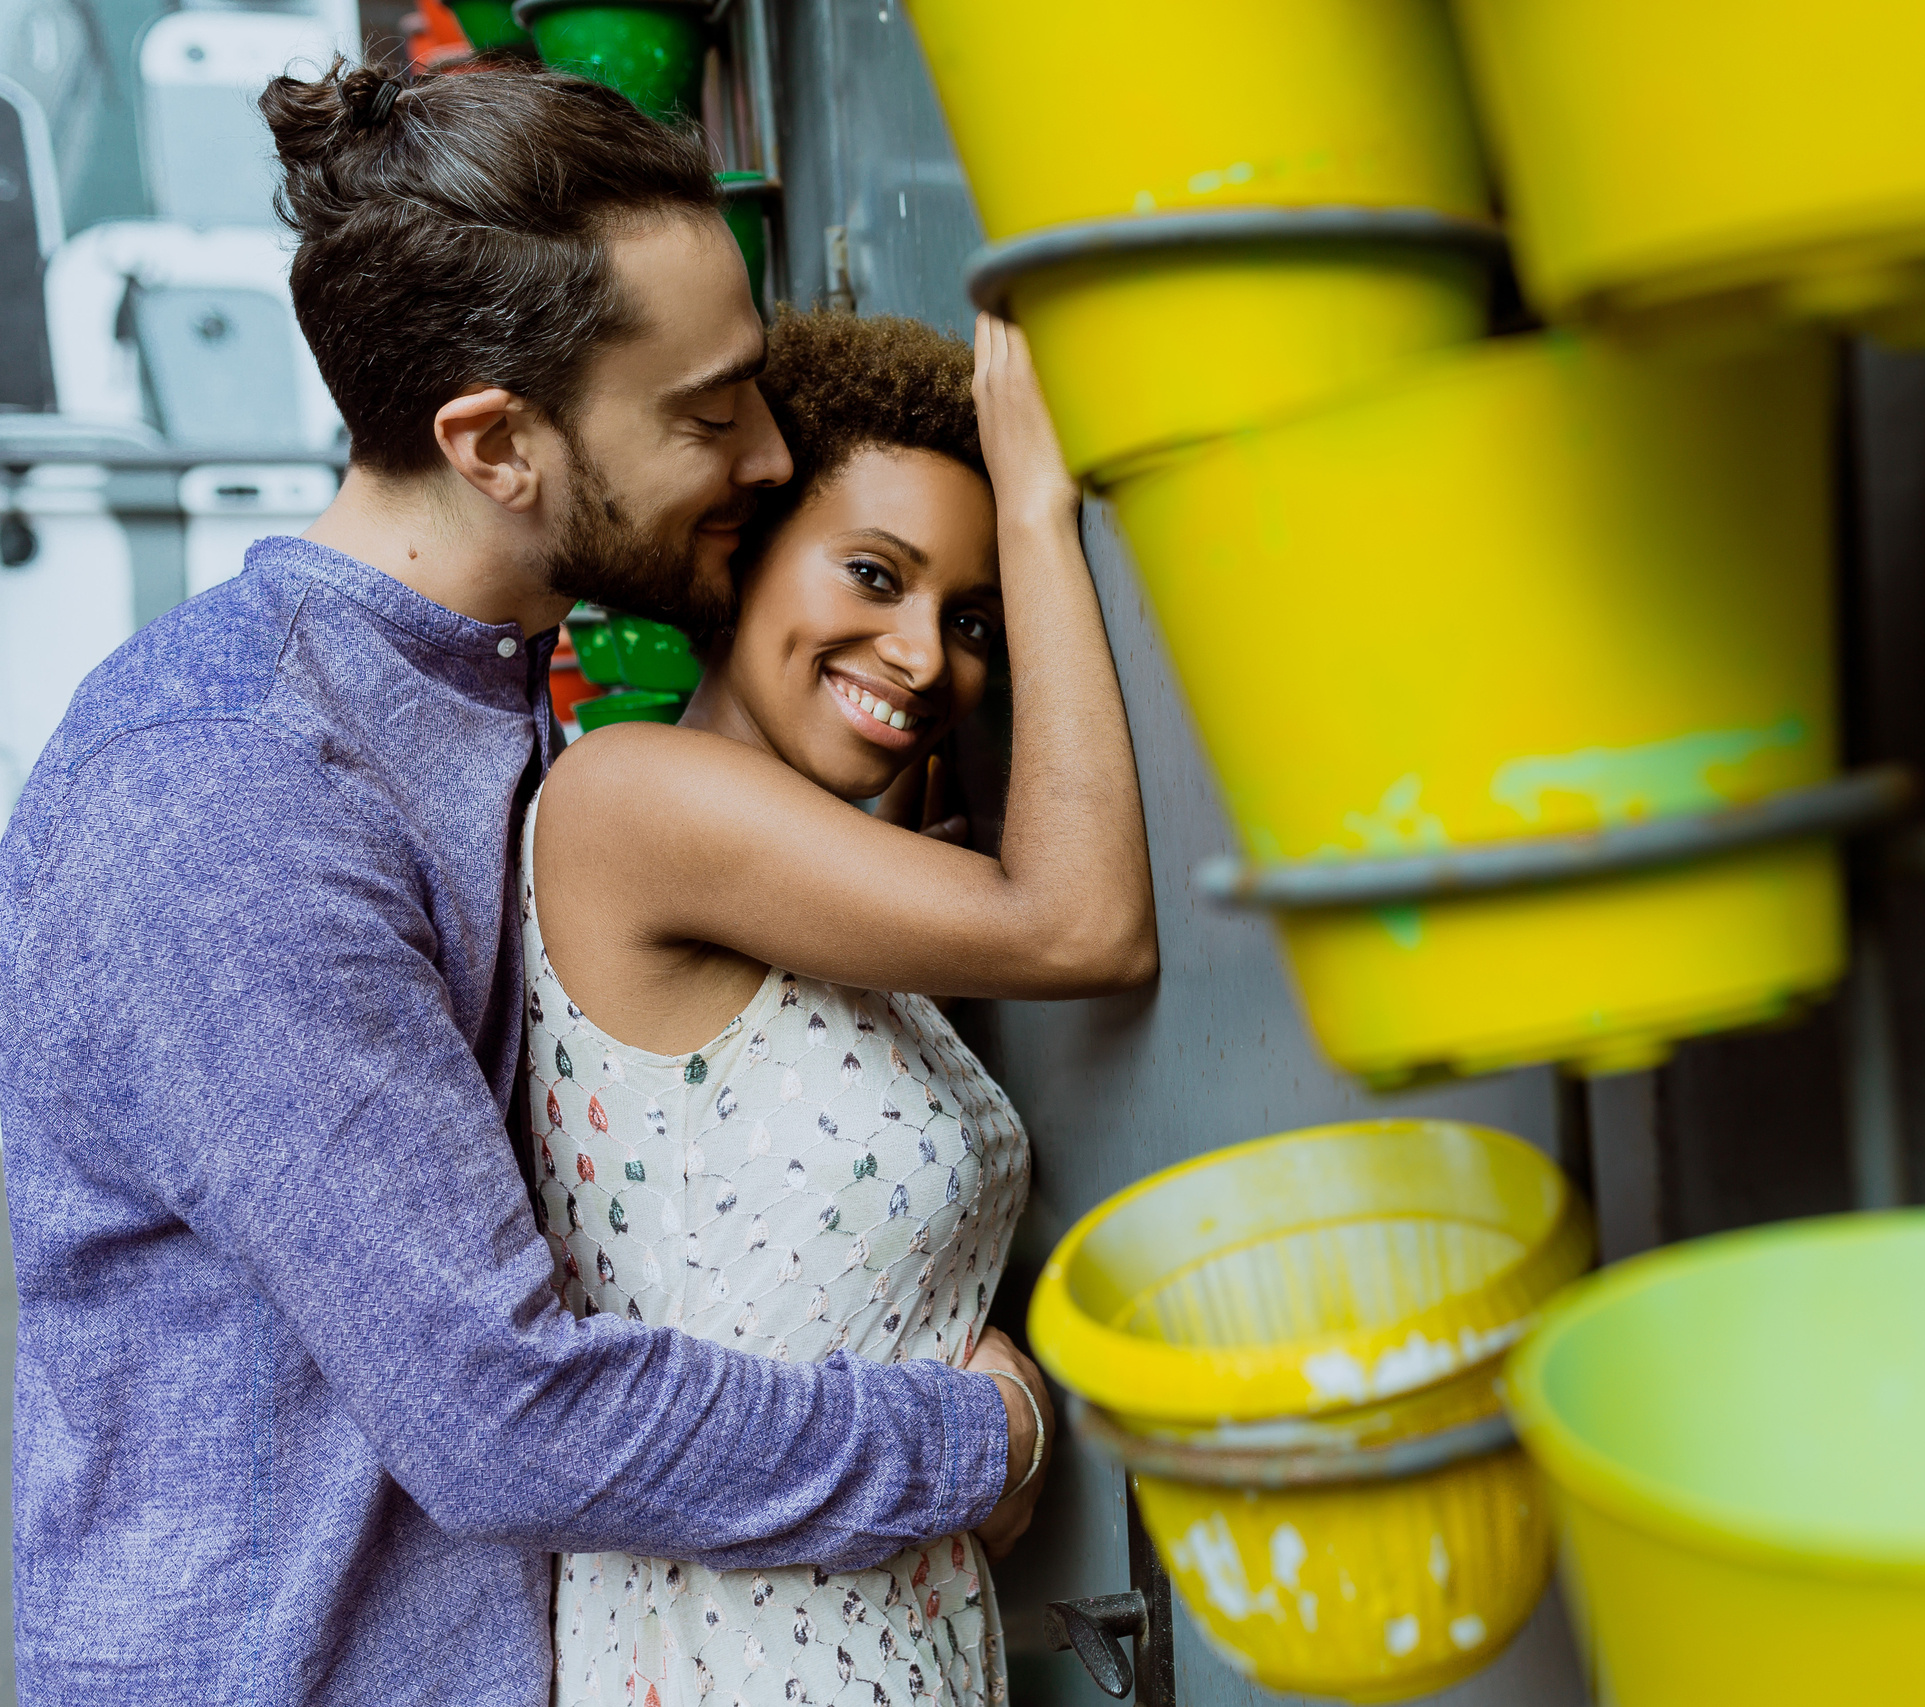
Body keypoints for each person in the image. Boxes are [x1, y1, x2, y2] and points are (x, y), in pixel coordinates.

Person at [0, 55, 1143, 1706]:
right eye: (705, 411)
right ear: (495, 444)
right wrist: (981, 1435)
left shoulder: (487, 708)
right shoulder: (228, 794)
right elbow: (505, 1420)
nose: (766, 456)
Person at [525, 303, 1154, 1700]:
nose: (925, 657)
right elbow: (1082, 923)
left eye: (969, 616)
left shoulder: (824, 894)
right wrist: (1042, 512)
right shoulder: (631, 798)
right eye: (874, 574)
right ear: (738, 559)